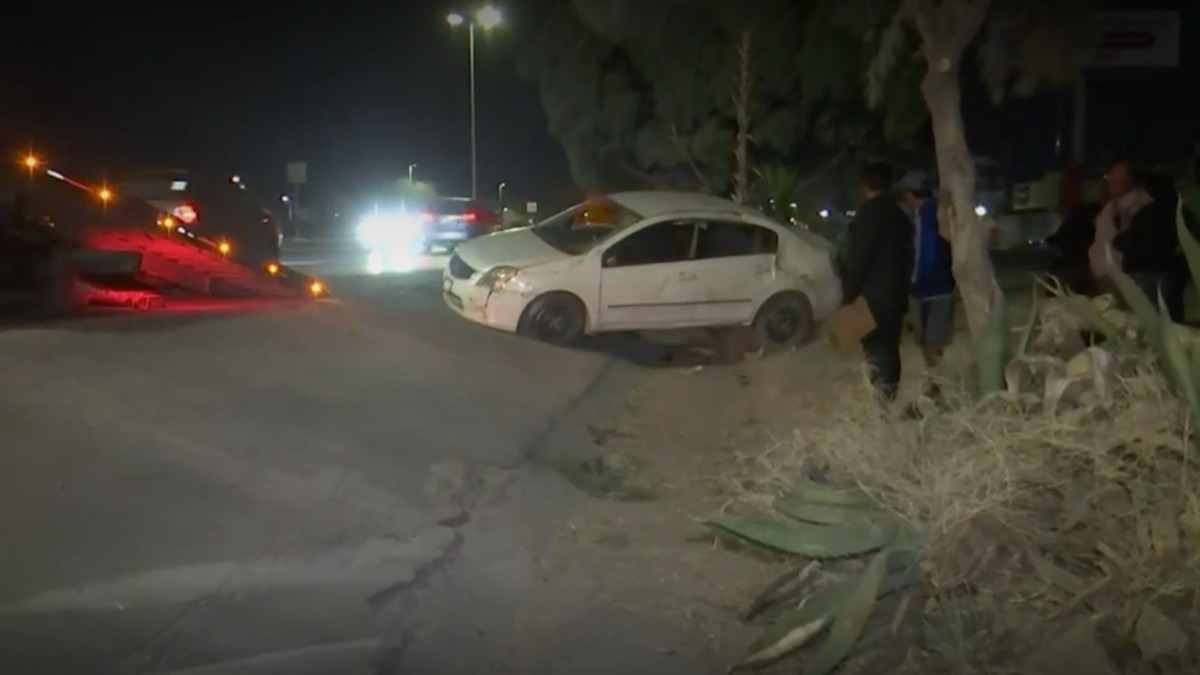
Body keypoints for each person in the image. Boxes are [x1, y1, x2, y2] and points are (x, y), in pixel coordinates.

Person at [841, 161, 915, 401]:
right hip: (896, 294)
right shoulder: (899, 216)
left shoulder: (867, 217)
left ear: (865, 186)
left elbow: (857, 261)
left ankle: (881, 403)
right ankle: (889, 396)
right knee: (890, 348)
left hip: (872, 298)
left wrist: (848, 296)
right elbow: (908, 256)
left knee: (875, 350)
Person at [898, 170, 955, 375]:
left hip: (928, 286)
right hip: (941, 286)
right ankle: (935, 383)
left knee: (928, 342)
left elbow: (922, 254)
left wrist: (911, 283)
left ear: (911, 195)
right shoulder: (940, 210)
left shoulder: (922, 216)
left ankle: (937, 385)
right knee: (933, 342)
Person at [1088, 157, 1153, 285]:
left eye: (1118, 177)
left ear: (1131, 179)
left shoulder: (1139, 204)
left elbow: (1127, 243)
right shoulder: (1110, 206)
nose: (1112, 181)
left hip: (1121, 278)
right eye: (1111, 176)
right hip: (1102, 275)